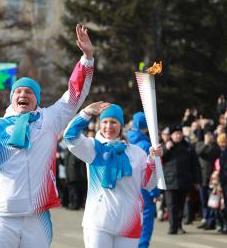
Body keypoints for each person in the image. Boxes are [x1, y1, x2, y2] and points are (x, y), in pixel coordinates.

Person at [0, 24, 94, 248]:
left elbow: (74, 94)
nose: (23, 94)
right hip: (2, 214)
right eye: (18, 91)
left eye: (29, 91)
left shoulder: (49, 120)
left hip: (36, 215)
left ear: (36, 99)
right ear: (12, 98)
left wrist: (86, 58)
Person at [63, 103, 162, 248]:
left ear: (121, 125)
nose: (109, 126)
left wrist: (154, 160)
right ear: (99, 124)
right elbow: (70, 137)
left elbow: (148, 183)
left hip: (129, 221)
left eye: (113, 122)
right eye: (105, 122)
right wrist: (85, 113)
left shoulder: (137, 153)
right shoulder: (93, 148)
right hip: (98, 221)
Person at [127, 112, 161, 248]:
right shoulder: (146, 145)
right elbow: (151, 169)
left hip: (129, 189)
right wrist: (155, 193)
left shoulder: (125, 140)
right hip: (144, 191)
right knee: (145, 226)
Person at [162, 124, 201, 235]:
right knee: (171, 205)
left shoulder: (188, 147)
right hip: (169, 181)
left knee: (181, 205)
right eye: (176, 134)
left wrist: (197, 181)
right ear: (171, 135)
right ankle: (172, 226)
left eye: (180, 133)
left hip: (184, 181)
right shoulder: (166, 146)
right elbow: (159, 160)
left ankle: (179, 226)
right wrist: (166, 148)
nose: (178, 136)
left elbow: (195, 165)